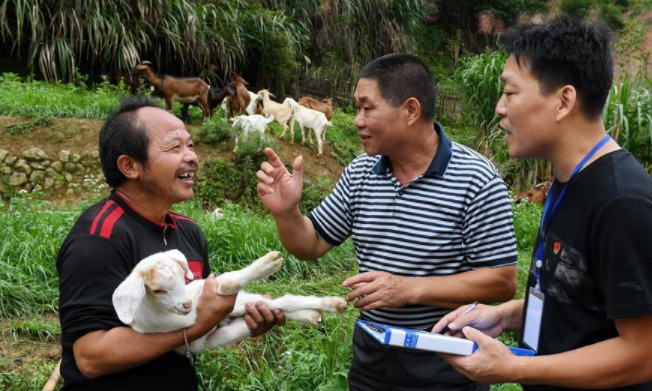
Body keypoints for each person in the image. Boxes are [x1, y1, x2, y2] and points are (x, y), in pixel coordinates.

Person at [256, 53, 518, 390]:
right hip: (372, 359)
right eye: (357, 108)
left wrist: (409, 289)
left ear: (410, 110)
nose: (356, 120)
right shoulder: (361, 173)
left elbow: (501, 280)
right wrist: (286, 212)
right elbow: (310, 244)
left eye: (367, 108)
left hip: (448, 364)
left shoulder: (476, 179)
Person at [433, 16, 652, 390]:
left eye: (510, 93)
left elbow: (643, 353)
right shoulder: (568, 182)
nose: (499, 108)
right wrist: (504, 315)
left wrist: (514, 368)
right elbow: (580, 305)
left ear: (563, 100)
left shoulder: (621, 203)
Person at [56, 95, 285, 391]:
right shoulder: (98, 237)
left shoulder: (188, 231)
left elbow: (196, 316)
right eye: (174, 147)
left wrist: (242, 318)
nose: (191, 156)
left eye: (190, 145)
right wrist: (196, 326)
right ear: (130, 166)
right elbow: (90, 356)